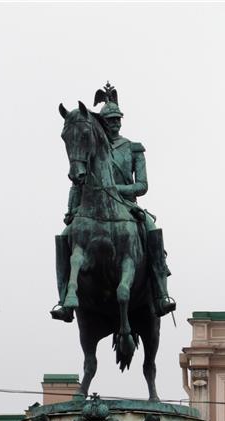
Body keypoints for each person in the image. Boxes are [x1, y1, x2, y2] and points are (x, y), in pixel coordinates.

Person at [51, 83, 176, 321]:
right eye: (110, 119)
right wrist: (71, 209)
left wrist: (113, 189)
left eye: (117, 119)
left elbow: (142, 186)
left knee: (152, 227)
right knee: (65, 235)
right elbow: (78, 181)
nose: (114, 123)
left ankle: (161, 294)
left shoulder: (132, 148)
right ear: (102, 122)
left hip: (127, 206)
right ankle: (64, 299)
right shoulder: (91, 146)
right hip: (90, 207)